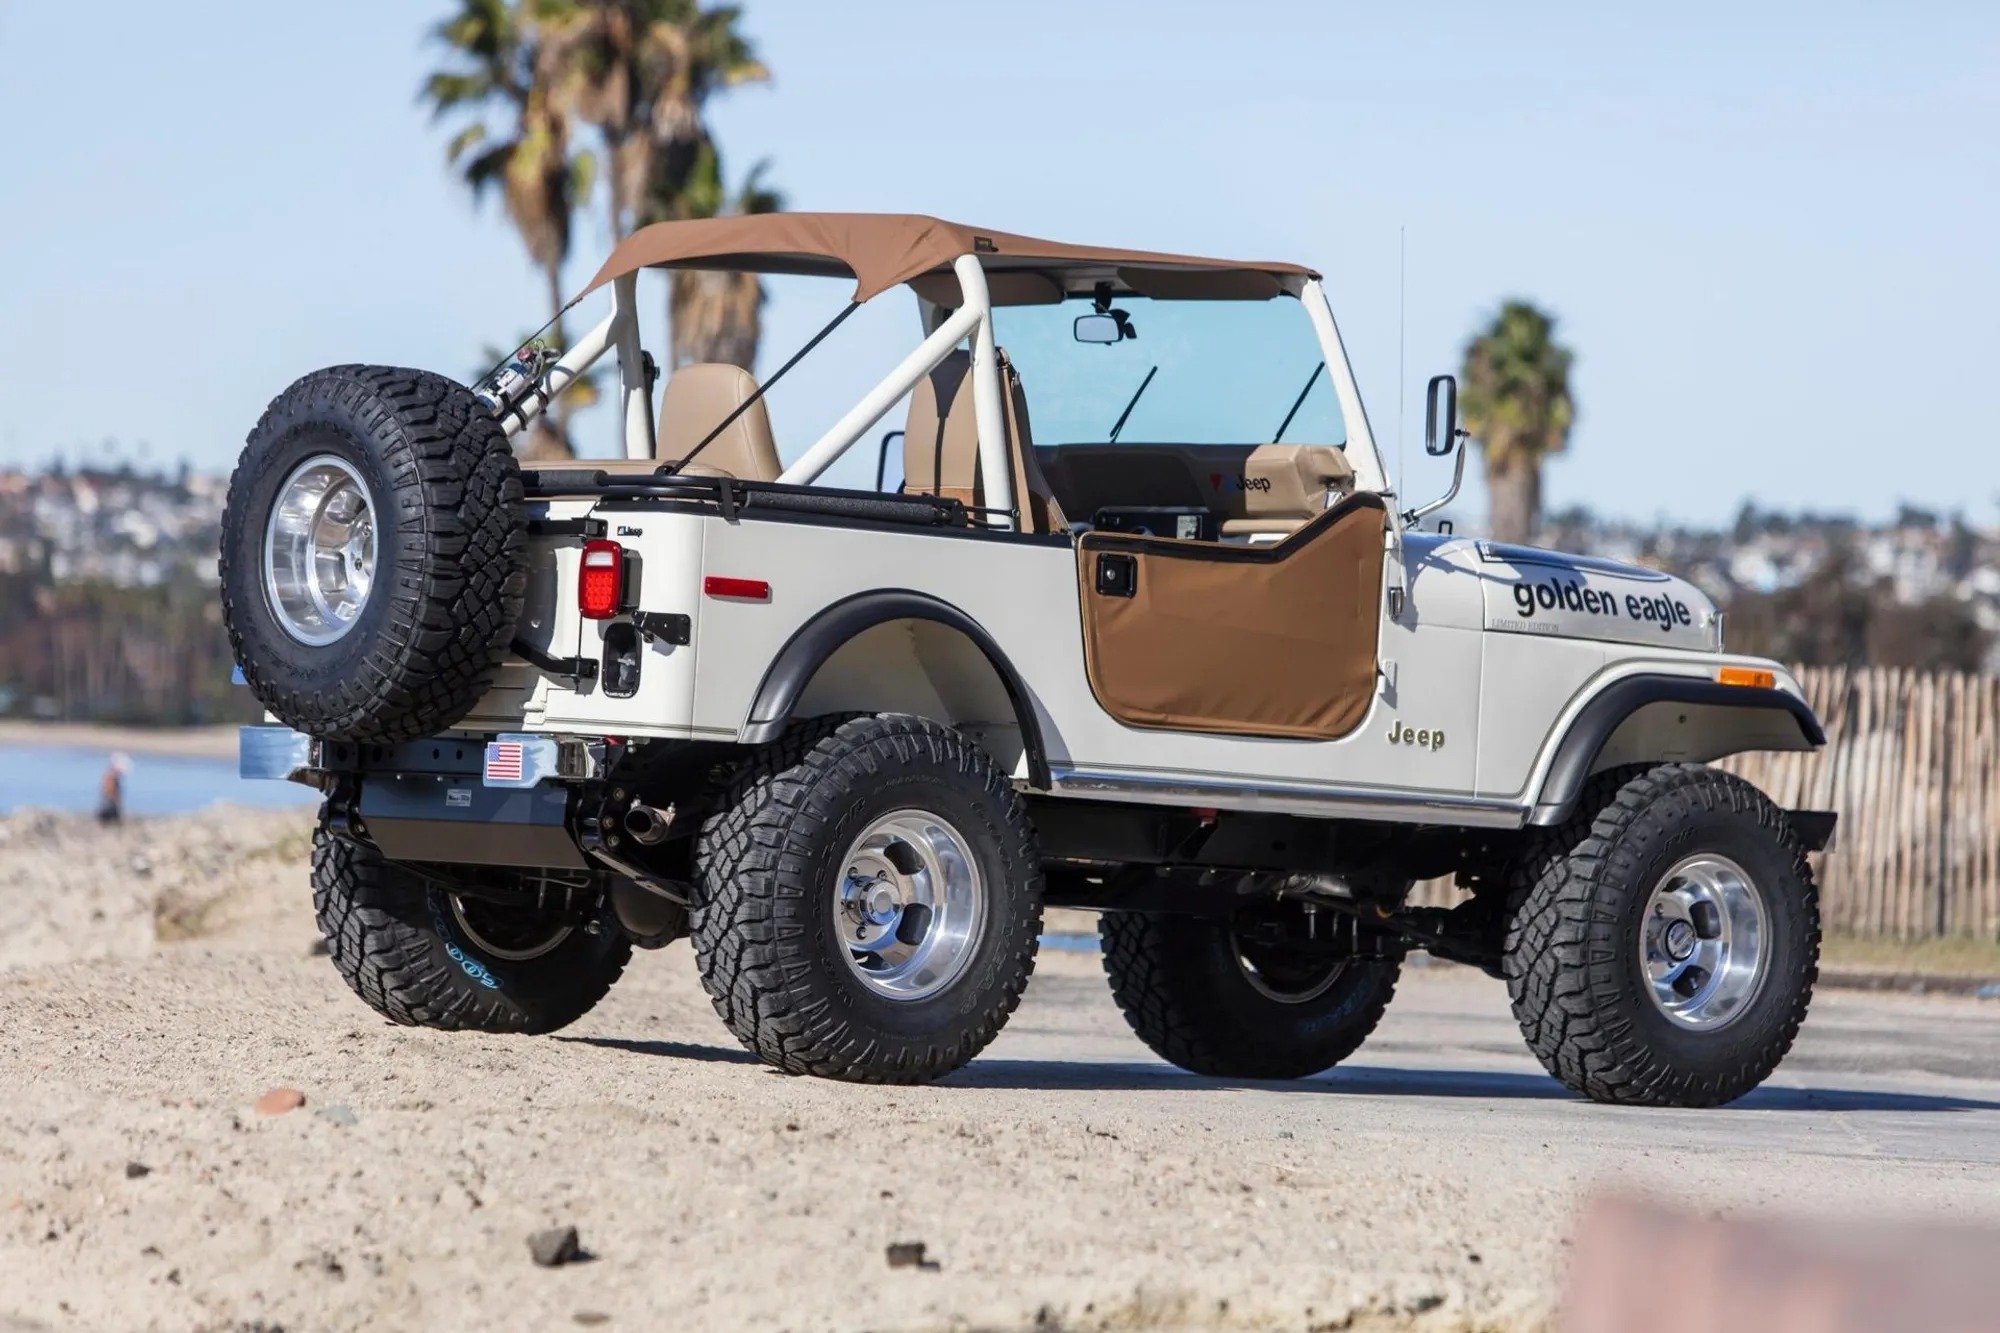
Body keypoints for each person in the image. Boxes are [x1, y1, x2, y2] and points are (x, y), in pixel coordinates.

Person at [97, 752, 130, 824]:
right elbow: (110, 792)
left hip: (110, 805)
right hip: (109, 807)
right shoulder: (110, 777)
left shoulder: (111, 777)